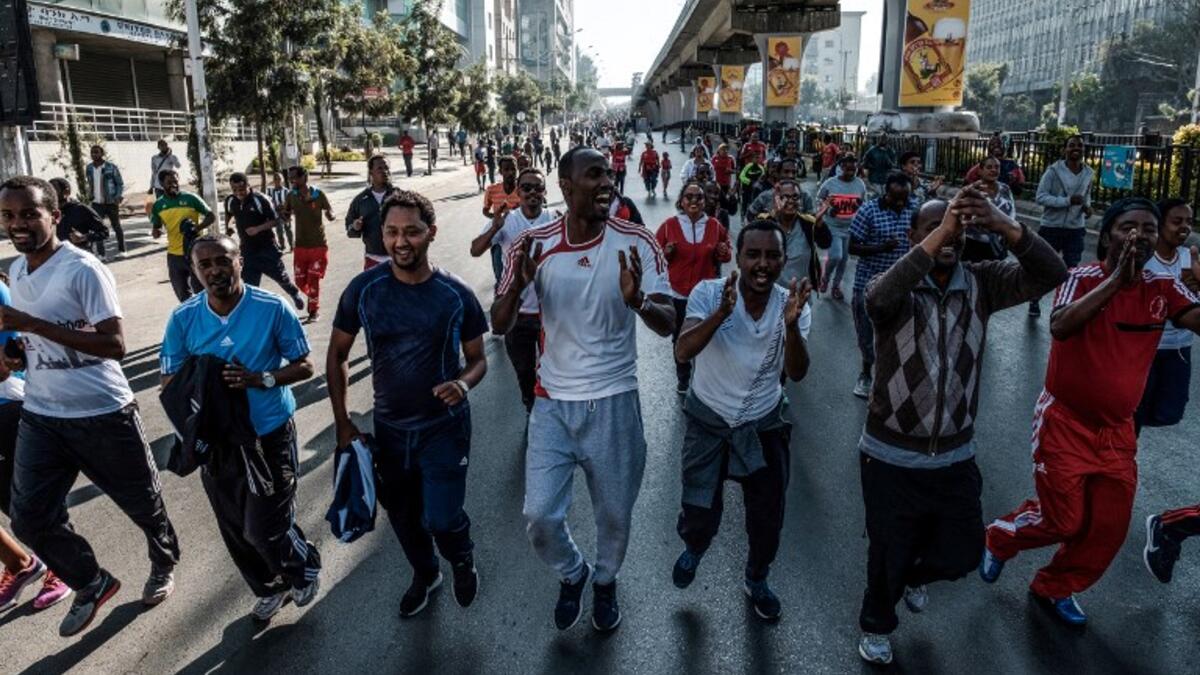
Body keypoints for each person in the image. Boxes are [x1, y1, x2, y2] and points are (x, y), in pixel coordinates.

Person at [854, 193, 1069, 665]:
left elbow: (1052, 275)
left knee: (965, 553)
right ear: (916, 237)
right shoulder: (896, 285)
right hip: (889, 456)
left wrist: (1005, 224)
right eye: (935, 226)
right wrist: (940, 232)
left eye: (957, 228)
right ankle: (877, 625)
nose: (951, 234)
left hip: (955, 456)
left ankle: (916, 575)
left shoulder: (982, 284)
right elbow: (876, 300)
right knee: (887, 551)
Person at [981, 198, 1200, 627]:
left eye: (1148, 229)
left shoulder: (1163, 289)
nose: (1139, 235)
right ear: (1107, 237)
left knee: (1108, 527)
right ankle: (1000, 536)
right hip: (1065, 423)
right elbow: (1060, 325)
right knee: (1064, 520)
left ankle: (1055, 585)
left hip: (1117, 433)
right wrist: (1118, 280)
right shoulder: (1079, 278)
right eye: (1128, 228)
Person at [491, 147, 675, 633]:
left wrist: (637, 302)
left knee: (614, 515)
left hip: (614, 399)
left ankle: (605, 581)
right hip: (552, 403)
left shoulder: (636, 242)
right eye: (593, 175)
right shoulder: (532, 244)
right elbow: (499, 322)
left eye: (609, 175)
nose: (607, 183)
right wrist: (520, 287)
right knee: (539, 516)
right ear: (565, 187)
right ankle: (573, 573)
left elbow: (668, 322)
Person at [0, 176, 181, 637]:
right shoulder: (17, 271)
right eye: (8, 216)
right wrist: (20, 348)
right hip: (42, 413)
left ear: (54, 216)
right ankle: (90, 580)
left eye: (28, 214)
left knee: (144, 504)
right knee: (28, 517)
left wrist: (29, 323)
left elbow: (114, 343)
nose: (17, 225)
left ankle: (163, 563)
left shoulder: (82, 268)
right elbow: (38, 336)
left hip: (102, 412)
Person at [328, 190, 488, 618]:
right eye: (392, 232)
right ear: (382, 233)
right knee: (403, 518)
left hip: (445, 428)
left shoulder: (456, 295)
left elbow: (478, 361)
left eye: (412, 232)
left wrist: (463, 384)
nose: (401, 242)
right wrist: (343, 423)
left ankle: (461, 556)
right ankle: (426, 574)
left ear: (430, 233)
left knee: (441, 517)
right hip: (390, 431)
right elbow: (338, 354)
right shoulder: (363, 291)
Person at [160, 234, 321, 622]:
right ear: (194, 272)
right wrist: (202, 396)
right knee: (234, 527)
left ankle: (303, 566)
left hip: (268, 433)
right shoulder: (184, 318)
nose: (214, 270)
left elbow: (304, 365)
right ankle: (270, 587)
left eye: (222, 261)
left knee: (264, 526)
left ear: (240, 261)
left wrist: (259, 379)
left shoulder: (272, 307)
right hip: (219, 441)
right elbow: (170, 384)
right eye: (205, 265)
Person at [671, 220, 813, 621]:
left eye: (772, 255)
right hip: (708, 422)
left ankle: (757, 578)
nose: (763, 264)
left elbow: (798, 372)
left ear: (784, 259)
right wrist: (721, 314)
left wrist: (790, 327)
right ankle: (695, 548)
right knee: (699, 513)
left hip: (763, 424)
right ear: (739, 256)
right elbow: (683, 351)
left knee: (768, 517)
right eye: (754, 254)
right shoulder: (708, 292)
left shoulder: (791, 304)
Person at [0, 282, 72, 614]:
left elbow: (5, 366)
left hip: (9, 405)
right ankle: (21, 564)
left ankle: (66, 567)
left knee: (32, 499)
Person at [471, 169, 553, 412]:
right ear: (518, 192)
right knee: (525, 370)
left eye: (537, 187)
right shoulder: (507, 220)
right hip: (517, 312)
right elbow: (475, 250)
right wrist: (494, 228)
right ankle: (531, 406)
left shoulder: (556, 218)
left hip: (552, 313)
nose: (532, 192)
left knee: (555, 369)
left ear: (544, 192)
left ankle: (552, 414)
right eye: (526, 187)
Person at [655, 181, 732, 395]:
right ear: (681, 201)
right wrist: (666, 253)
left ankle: (703, 379)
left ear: (704, 201)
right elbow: (654, 255)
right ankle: (683, 378)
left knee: (707, 336)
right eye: (689, 197)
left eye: (699, 197)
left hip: (706, 294)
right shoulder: (669, 225)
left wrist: (723, 251)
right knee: (681, 336)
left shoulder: (715, 226)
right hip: (677, 293)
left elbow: (727, 255)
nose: (694, 201)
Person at [848, 173, 916, 399]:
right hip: (868, 282)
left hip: (903, 284)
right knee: (866, 332)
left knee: (902, 332)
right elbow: (853, 247)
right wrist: (881, 248)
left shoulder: (914, 209)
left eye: (904, 198)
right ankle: (866, 372)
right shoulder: (867, 211)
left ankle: (894, 377)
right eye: (895, 198)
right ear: (885, 193)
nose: (900, 203)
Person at [1135, 199, 1196, 434]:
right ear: (1160, 224)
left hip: (1180, 348)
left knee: (1170, 413)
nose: (1184, 227)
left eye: (1189, 222)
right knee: (1135, 412)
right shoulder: (1144, 259)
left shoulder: (1189, 257)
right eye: (1177, 221)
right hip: (1148, 348)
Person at [1030, 134, 1094, 317]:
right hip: (1052, 226)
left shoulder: (1088, 172)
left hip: (1075, 228)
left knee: (1072, 269)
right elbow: (1040, 197)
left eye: (1080, 146)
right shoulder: (1053, 171)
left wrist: (1087, 208)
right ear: (1064, 149)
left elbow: (1086, 196)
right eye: (1072, 145)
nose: (1076, 148)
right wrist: (1066, 201)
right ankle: (1034, 298)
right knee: (1046, 266)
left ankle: (1065, 304)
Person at [223, 173, 305, 309]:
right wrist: (228, 229)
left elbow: (276, 221)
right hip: (247, 250)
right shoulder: (231, 201)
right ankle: (250, 312)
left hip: (267, 248)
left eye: (241, 189)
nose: (238, 193)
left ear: (248, 185)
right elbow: (229, 215)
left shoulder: (260, 199)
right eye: (234, 190)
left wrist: (258, 229)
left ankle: (294, 293)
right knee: (248, 287)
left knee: (281, 278)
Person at [151, 168, 215, 302]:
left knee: (202, 293)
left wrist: (198, 228)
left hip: (195, 253)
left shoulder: (191, 198)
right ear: (162, 185)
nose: (173, 184)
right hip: (174, 256)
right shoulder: (158, 205)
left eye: (175, 181)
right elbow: (156, 227)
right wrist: (156, 232)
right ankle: (191, 320)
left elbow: (211, 216)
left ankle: (208, 318)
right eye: (169, 182)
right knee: (183, 296)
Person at [282, 165, 335, 323]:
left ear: (304, 177)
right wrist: (283, 215)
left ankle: (314, 310)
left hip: (318, 245)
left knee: (313, 279)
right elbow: (286, 215)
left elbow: (329, 210)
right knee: (300, 282)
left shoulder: (318, 194)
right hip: (300, 246)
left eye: (295, 177)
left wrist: (330, 215)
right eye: (290, 178)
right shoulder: (291, 196)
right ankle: (313, 296)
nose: (292, 181)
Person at [816, 154, 866, 301]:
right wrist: (828, 209)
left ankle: (836, 286)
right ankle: (825, 278)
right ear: (841, 167)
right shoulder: (830, 183)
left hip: (850, 227)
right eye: (847, 167)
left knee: (844, 259)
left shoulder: (860, 184)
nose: (851, 171)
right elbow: (819, 198)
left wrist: (859, 207)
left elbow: (864, 203)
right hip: (833, 226)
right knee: (836, 255)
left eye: (854, 168)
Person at [346, 155, 398, 270]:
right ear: (371, 172)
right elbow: (350, 231)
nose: (385, 171)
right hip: (373, 259)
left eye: (387, 168)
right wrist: (355, 227)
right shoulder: (360, 200)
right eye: (380, 168)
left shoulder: (399, 196)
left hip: (398, 258)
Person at [962, 158, 1016, 263]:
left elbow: (1012, 212)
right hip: (975, 245)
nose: (993, 170)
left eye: (997, 167)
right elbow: (966, 218)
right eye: (989, 167)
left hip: (999, 245)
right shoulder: (972, 190)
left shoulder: (1005, 189)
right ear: (980, 171)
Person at [481, 157, 522, 285]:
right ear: (500, 171)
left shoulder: (522, 189)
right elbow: (485, 210)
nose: (510, 172)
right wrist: (497, 217)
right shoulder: (492, 190)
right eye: (506, 169)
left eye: (513, 169)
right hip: (499, 234)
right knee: (499, 272)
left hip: (520, 233)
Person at [48, 178, 107, 259]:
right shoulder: (48, 213)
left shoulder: (81, 209)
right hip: (58, 261)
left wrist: (84, 237)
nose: (50, 194)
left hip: (81, 259)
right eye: (48, 191)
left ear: (66, 192)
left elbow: (104, 232)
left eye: (54, 190)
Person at [85, 145, 126, 255]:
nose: (94, 154)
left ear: (102, 153)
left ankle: (122, 250)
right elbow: (90, 183)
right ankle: (101, 254)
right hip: (96, 203)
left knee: (116, 226)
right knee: (98, 229)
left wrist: (118, 196)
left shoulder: (111, 167)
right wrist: (90, 194)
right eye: (92, 152)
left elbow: (119, 183)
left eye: (96, 152)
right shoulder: (89, 168)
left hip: (111, 202)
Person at [267, 172, 294, 252]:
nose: (277, 181)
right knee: (279, 231)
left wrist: (284, 207)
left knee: (288, 229)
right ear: (273, 181)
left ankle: (292, 245)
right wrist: (274, 206)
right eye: (275, 179)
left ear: (282, 180)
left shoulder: (287, 191)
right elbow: (268, 202)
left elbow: (290, 203)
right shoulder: (270, 191)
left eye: (279, 179)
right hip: (277, 214)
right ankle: (282, 245)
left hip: (286, 214)